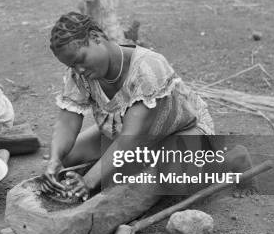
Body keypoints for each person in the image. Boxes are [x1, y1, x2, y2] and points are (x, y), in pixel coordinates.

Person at [40, 11, 217, 202]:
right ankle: (132, 166)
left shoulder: (148, 68)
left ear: (95, 37)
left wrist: (89, 180)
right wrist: (55, 159)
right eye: (72, 66)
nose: (79, 70)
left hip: (180, 131)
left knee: (173, 180)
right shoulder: (80, 75)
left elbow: (131, 138)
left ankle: (229, 160)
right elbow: (67, 121)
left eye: (80, 59)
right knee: (66, 158)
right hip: (121, 134)